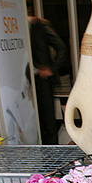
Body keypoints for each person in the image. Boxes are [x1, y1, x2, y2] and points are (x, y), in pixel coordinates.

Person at [28, 15, 68, 145]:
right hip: (25, 79)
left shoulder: (39, 25)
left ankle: (52, 150)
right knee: (34, 119)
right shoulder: (18, 28)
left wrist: (52, 69)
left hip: (41, 78)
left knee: (47, 119)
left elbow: (62, 48)